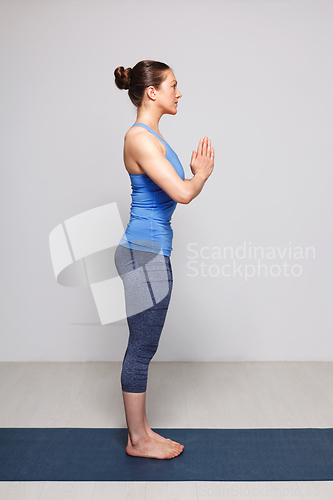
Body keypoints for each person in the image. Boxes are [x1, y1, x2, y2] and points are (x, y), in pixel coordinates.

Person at [113, 60, 214, 459]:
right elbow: (183, 193)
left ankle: (143, 431)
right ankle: (137, 440)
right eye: (173, 85)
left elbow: (175, 192)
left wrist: (194, 176)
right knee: (141, 347)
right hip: (144, 254)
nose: (179, 91)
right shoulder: (139, 138)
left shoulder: (152, 136)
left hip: (151, 252)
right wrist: (200, 175)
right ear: (152, 91)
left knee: (144, 345)